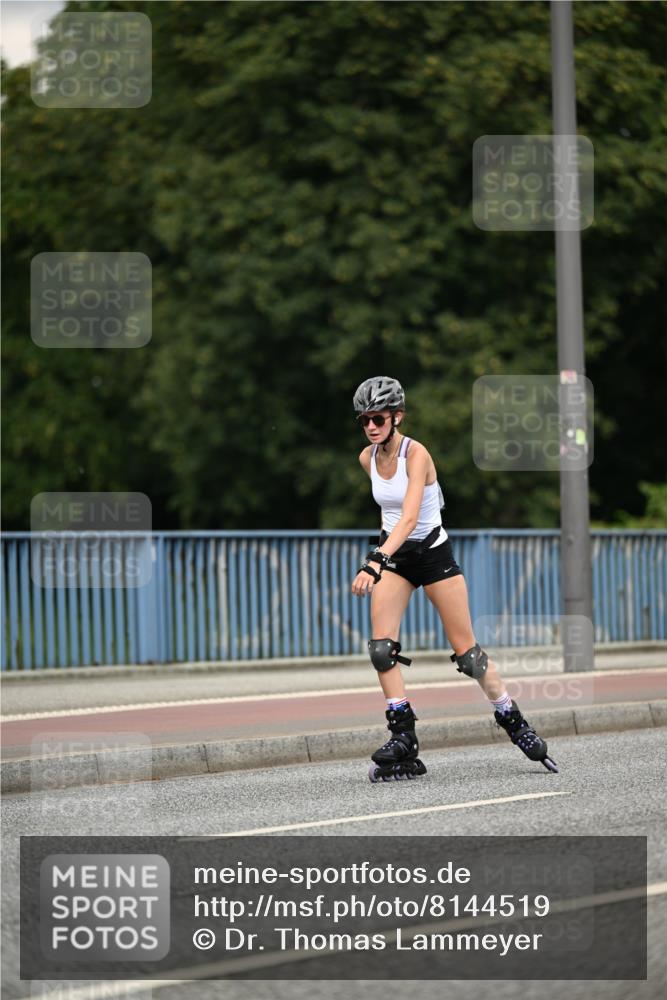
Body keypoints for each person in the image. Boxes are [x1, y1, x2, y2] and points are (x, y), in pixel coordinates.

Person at [350, 375, 558, 782]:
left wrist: (374, 559)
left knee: (469, 656)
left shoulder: (417, 454)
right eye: (364, 420)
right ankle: (403, 736)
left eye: (377, 417)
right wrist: (385, 556)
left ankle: (514, 721)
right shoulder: (367, 458)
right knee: (380, 649)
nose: (371, 426)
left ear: (397, 417)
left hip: (432, 554)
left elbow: (410, 517)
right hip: (398, 557)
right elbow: (388, 513)